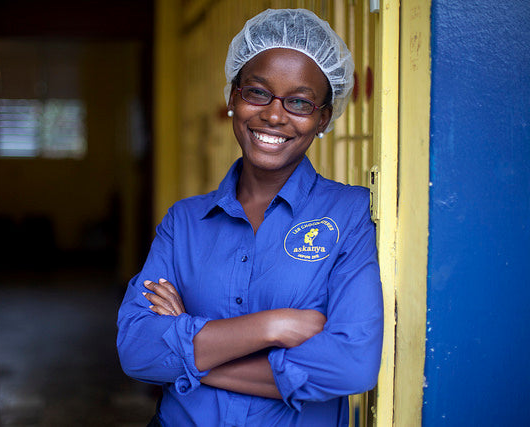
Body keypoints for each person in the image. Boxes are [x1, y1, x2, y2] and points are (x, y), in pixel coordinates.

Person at [117, 8, 383, 426]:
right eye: (257, 92)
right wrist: (273, 326)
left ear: (323, 118)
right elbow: (137, 350)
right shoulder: (184, 222)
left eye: (299, 101)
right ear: (232, 98)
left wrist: (191, 350)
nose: (274, 115)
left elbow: (351, 365)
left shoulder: (348, 214)